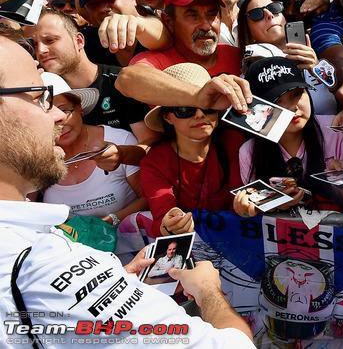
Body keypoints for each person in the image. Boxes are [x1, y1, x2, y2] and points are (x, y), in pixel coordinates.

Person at [0, 37, 255, 346]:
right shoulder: (49, 266)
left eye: (208, 110)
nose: (56, 116)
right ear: (168, 118)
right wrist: (207, 291)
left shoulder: (236, 146)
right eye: (41, 97)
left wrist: (119, 278)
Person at [237, 57, 343, 221]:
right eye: (276, 101)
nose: (292, 107)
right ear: (258, 110)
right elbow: (253, 211)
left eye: (297, 94)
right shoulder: (249, 152)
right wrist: (251, 206)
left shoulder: (334, 130)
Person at [138, 63, 243, 237]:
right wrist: (171, 224)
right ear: (167, 117)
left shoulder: (234, 142)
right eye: (185, 109)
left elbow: (240, 199)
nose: (200, 115)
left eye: (208, 106)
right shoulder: (155, 162)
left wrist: (246, 206)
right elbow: (162, 217)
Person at [31, 9, 154, 141]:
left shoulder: (120, 82)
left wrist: (120, 155)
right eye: (35, 44)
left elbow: (150, 145)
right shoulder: (41, 93)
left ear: (79, 41)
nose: (41, 50)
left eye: (50, 40)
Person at [42, 71, 146, 226]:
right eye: (46, 115)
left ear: (79, 108)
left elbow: (148, 198)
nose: (59, 121)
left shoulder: (120, 140)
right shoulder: (36, 158)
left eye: (64, 110)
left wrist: (110, 221)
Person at [237, 0, 338, 115]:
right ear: (248, 32)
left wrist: (316, 67)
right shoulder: (251, 68)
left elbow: (338, 89)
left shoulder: (311, 44)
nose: (269, 15)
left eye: (274, 8)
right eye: (256, 14)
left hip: (334, 130)